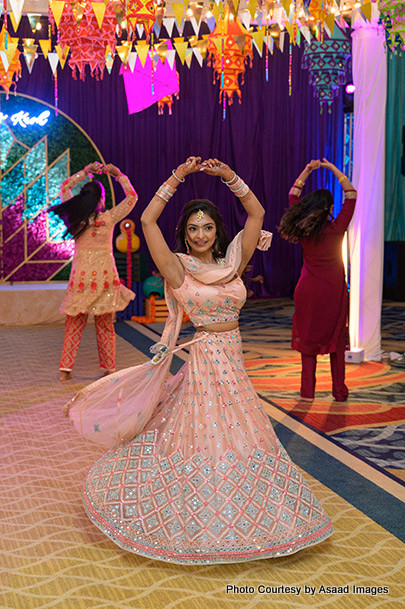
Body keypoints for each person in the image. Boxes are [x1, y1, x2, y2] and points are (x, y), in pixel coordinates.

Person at [66, 157, 333, 565]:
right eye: (193, 229)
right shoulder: (179, 269)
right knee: (203, 430)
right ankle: (197, 516)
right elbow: (150, 221)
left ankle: (252, 516)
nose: (201, 234)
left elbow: (257, 212)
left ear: (216, 230)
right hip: (207, 357)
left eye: (207, 227)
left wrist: (229, 177)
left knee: (244, 429)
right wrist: (177, 177)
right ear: (185, 235)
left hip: (235, 357)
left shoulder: (233, 262)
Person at [49, 162, 138, 381]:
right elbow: (132, 198)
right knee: (106, 327)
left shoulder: (77, 219)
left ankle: (64, 371)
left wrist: (85, 171)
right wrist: (119, 175)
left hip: (81, 279)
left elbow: (64, 187)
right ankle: (109, 369)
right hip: (105, 280)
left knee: (74, 326)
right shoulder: (108, 219)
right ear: (101, 199)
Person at [278, 158, 357, 402]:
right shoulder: (337, 228)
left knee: (308, 341)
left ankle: (307, 393)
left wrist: (307, 170)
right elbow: (351, 194)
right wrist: (333, 169)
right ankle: (339, 392)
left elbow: (293, 194)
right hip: (333, 290)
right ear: (330, 208)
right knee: (336, 340)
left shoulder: (303, 229)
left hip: (308, 290)